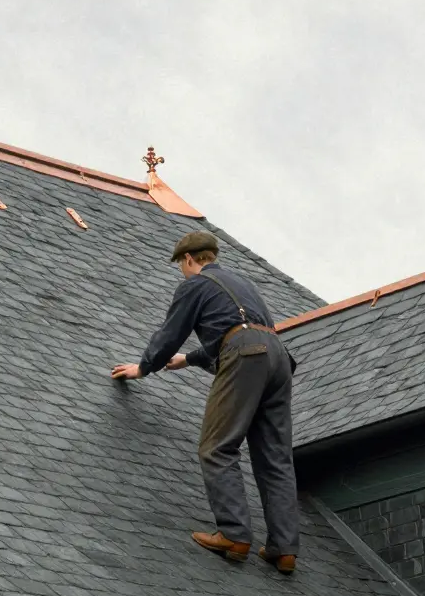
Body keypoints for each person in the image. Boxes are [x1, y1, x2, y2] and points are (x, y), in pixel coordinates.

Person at [111, 231, 299, 574]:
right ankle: (284, 548)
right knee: (276, 458)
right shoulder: (242, 283)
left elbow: (171, 333)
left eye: (182, 267)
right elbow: (245, 330)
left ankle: (233, 534)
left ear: (189, 260)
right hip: (278, 360)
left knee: (217, 446)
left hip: (246, 356)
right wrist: (191, 359)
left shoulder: (195, 284)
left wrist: (144, 367)